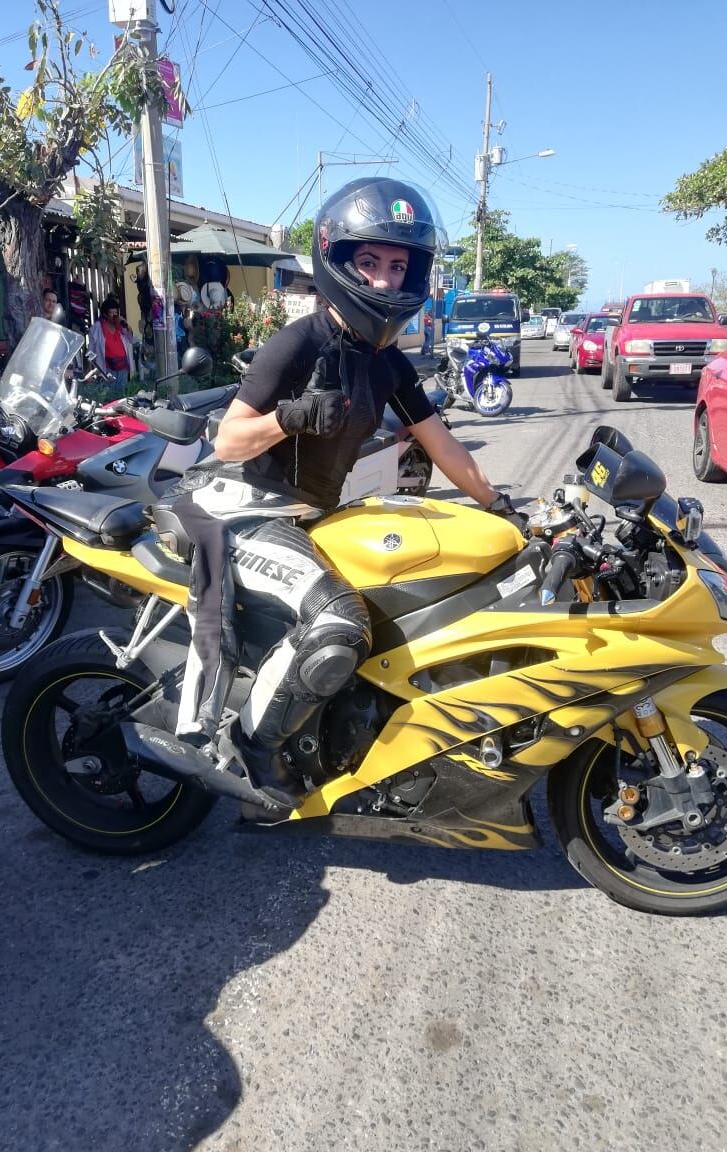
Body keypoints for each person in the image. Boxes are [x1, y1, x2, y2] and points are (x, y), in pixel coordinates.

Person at [160, 177, 524, 809]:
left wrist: (501, 507)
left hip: (310, 516)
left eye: (397, 266)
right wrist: (290, 418)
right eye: (369, 263)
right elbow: (228, 441)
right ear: (337, 261)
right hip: (240, 507)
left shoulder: (387, 360)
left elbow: (443, 445)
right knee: (340, 623)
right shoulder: (299, 342)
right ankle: (256, 747)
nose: (384, 280)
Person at [88, 297, 134, 394]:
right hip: (107, 367)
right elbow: (90, 351)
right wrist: (96, 368)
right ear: (105, 314)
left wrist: (126, 325)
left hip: (123, 366)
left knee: (121, 394)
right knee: (110, 395)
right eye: (112, 313)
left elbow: (131, 339)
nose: (115, 315)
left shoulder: (121, 327)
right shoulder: (97, 328)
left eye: (116, 313)